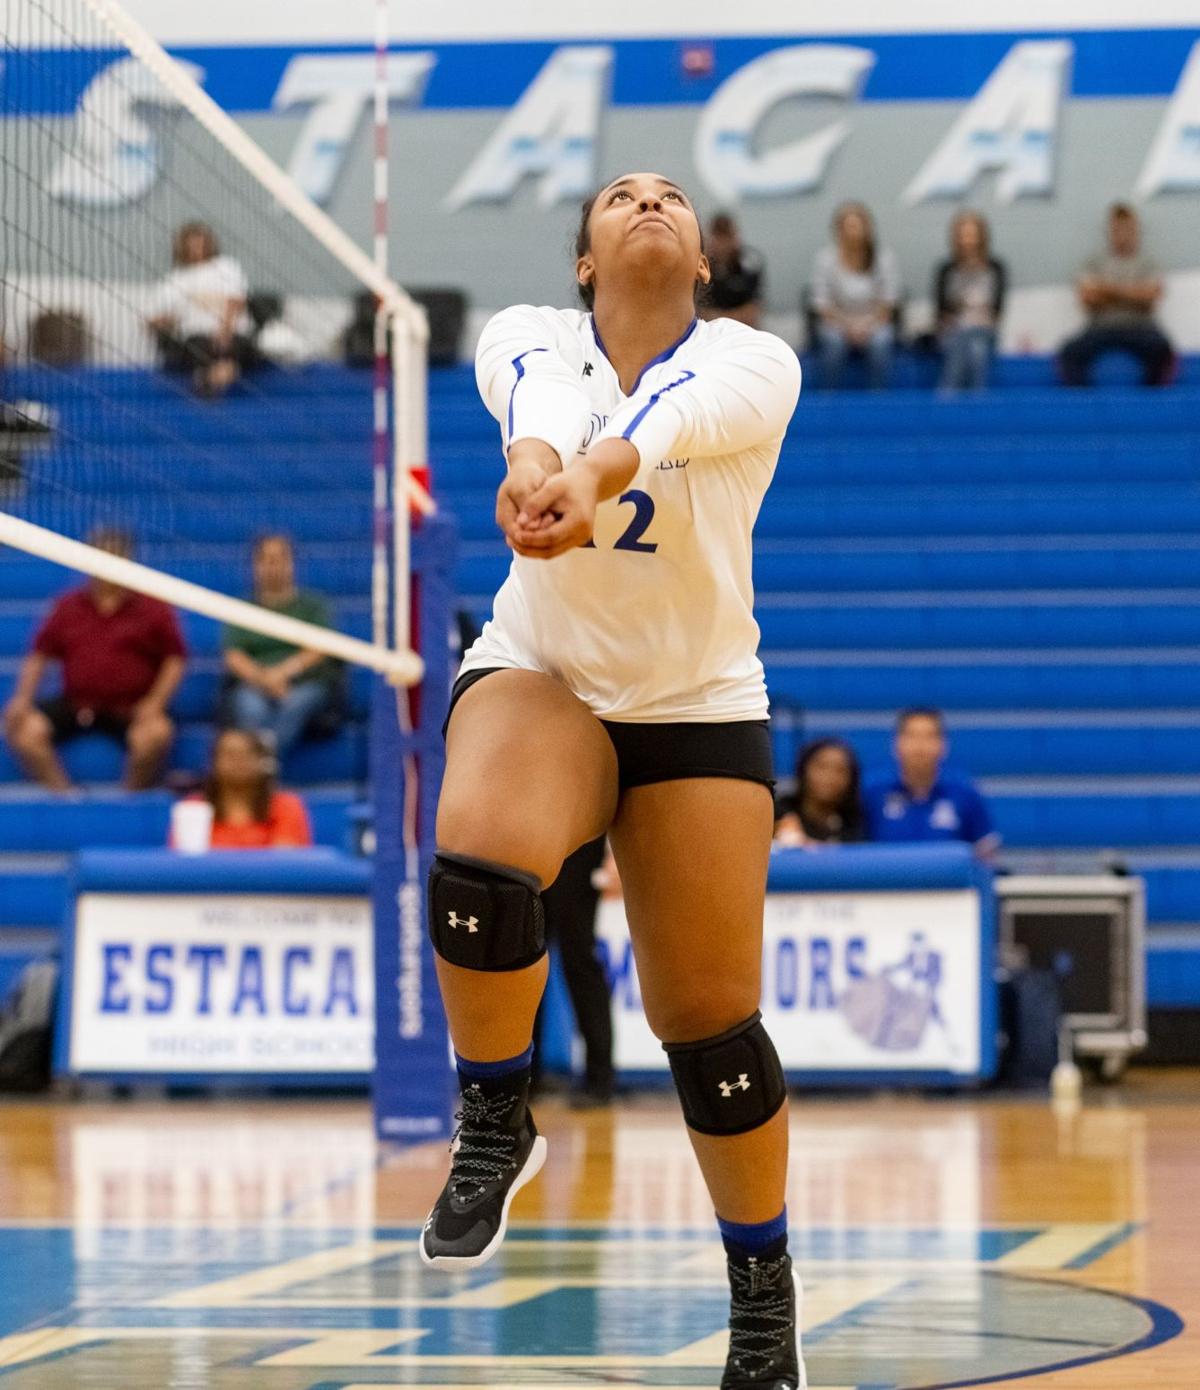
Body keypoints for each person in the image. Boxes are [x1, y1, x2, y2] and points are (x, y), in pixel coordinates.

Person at [418, 171, 804, 1388]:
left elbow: (669, 420)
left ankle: (763, 1303)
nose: (649, 203)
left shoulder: (753, 363)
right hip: (552, 674)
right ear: (583, 259)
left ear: (700, 259)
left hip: (694, 702)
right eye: (620, 196)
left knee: (711, 1034)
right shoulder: (526, 336)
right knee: (480, 860)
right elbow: (534, 405)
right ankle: (495, 1114)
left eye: (673, 198)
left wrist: (584, 484)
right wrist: (537, 471)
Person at [2, 530, 185, 791]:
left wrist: (155, 703)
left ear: (128, 560)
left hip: (131, 706)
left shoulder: (153, 608)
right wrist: (22, 698)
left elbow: (174, 659)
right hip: (76, 704)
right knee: (24, 730)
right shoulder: (68, 606)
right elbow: (39, 654)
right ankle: (64, 797)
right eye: (100, 557)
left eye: (114, 557)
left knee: (156, 733)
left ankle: (128, 800)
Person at [221, 535, 343, 756]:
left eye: (279, 559)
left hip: (305, 683)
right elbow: (234, 656)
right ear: (254, 565)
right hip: (255, 683)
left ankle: (260, 769)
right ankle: (261, 770)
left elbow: (320, 648)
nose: (273, 566)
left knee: (294, 704)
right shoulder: (241, 608)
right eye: (266, 559)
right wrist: (264, 679)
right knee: (250, 707)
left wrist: (284, 673)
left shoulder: (313, 605)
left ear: (292, 563)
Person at [531, 835, 615, 1106]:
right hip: (531, 842)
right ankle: (524, 1076)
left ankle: (599, 1077)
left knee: (579, 957)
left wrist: (614, 855)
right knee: (527, 961)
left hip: (578, 843)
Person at [1059, 204, 1175, 388]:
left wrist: (1106, 290)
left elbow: (1151, 297)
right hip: (1100, 328)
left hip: (1141, 327)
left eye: (1127, 229)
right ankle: (1085, 406)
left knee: (1163, 351)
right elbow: (1087, 298)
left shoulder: (1148, 263)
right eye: (1117, 229)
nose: (1122, 234)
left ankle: (1150, 405)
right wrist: (1133, 293)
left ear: (1135, 231)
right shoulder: (1094, 262)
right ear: (1110, 230)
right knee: (1069, 353)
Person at [863, 708, 999, 858]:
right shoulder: (872, 792)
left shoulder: (965, 792)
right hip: (886, 880)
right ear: (896, 744)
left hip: (949, 881)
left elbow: (985, 853)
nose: (920, 746)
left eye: (929, 736)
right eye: (912, 736)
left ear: (944, 745)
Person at [146, 222, 256, 397]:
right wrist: (161, 322)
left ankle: (208, 379)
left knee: (231, 349)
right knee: (201, 350)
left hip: (232, 333)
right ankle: (219, 375)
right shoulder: (175, 279)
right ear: (183, 246)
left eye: (201, 241)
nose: (198, 247)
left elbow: (236, 300)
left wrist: (225, 331)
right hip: (196, 337)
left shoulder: (226, 266)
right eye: (192, 242)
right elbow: (156, 316)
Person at [176, 728, 313, 849]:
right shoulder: (193, 808)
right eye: (230, 754)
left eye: (248, 754)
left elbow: (286, 862)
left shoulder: (286, 806)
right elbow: (184, 862)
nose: (239, 761)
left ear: (264, 763)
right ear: (213, 763)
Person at [811, 202, 899, 389]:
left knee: (882, 341)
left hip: (874, 322)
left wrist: (867, 326)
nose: (853, 232)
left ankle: (878, 398)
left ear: (867, 228)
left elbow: (888, 301)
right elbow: (822, 304)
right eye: (847, 227)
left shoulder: (883, 258)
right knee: (833, 342)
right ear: (838, 231)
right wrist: (847, 327)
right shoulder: (825, 260)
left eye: (857, 226)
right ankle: (828, 397)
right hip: (836, 323)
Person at [934, 211, 1007, 393]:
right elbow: (941, 310)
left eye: (973, 235)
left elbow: (996, 311)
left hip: (984, 330)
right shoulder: (946, 270)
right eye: (964, 235)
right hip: (953, 331)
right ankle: (973, 399)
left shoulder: (996, 268)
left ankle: (948, 395)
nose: (969, 240)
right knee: (973, 348)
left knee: (976, 343)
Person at [774, 737, 865, 847]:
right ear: (803, 769)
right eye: (821, 766)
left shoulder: (858, 820)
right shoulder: (777, 812)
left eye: (840, 770)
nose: (829, 776)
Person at [702, 213, 765, 328]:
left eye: (727, 236)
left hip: (743, 329)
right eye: (718, 237)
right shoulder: (700, 266)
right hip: (708, 331)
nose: (723, 243)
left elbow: (752, 313)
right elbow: (696, 312)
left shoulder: (749, 263)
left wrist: (719, 318)